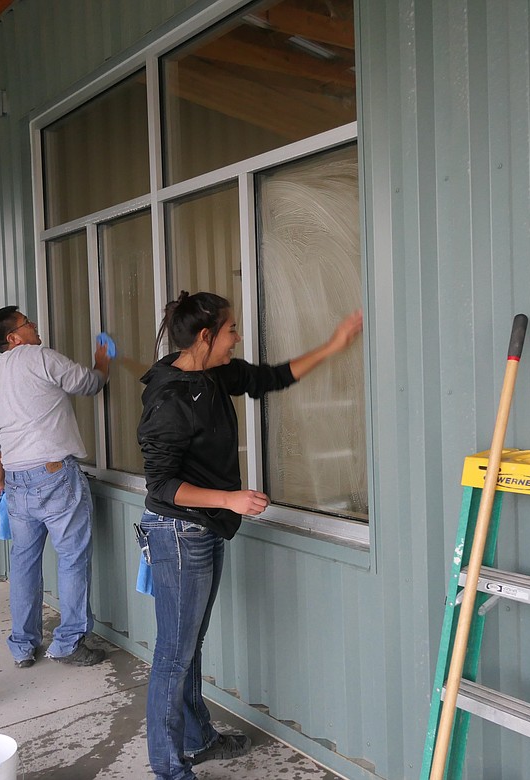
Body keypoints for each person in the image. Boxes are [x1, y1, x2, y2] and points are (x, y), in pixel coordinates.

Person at [136, 291, 363, 779]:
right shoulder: (170, 396)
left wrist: (334, 345)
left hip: (203, 529)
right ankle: (168, 769)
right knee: (174, 655)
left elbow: (269, 379)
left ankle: (198, 739)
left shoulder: (215, 373)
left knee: (188, 643)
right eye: (231, 329)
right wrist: (230, 498)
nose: (237, 337)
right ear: (205, 336)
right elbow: (162, 485)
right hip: (178, 533)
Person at [0, 306, 112, 669]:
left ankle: (22, 645)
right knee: (71, 559)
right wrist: (102, 361)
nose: (35, 327)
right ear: (13, 337)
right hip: (54, 477)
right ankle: (68, 643)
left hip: (16, 482)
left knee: (23, 564)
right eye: (28, 323)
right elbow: (89, 384)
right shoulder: (38, 357)